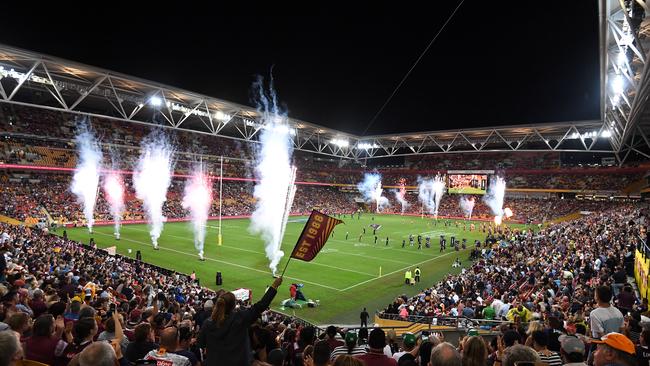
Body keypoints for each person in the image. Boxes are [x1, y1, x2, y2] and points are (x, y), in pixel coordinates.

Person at [198, 276, 282, 366]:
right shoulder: (240, 318)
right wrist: (274, 286)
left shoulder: (208, 323)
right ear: (233, 306)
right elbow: (261, 306)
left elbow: (201, 343)